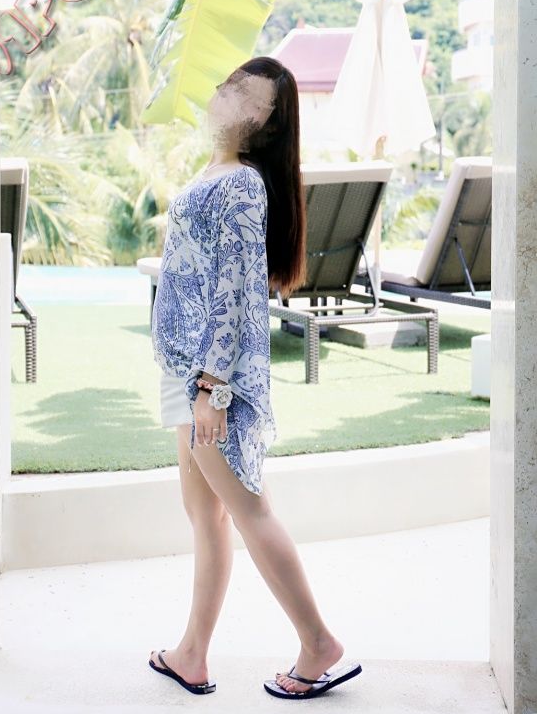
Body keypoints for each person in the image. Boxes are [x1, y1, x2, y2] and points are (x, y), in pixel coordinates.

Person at [148, 56, 362, 700]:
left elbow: (237, 293)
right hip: (185, 370)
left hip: (208, 379)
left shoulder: (241, 183)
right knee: (206, 516)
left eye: (250, 94)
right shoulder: (218, 171)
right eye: (233, 82)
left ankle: (318, 642)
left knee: (247, 511)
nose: (231, 94)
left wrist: (212, 389)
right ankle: (191, 653)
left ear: (266, 123)